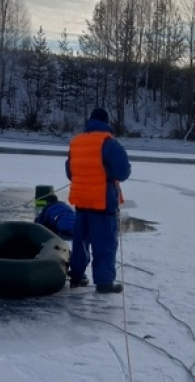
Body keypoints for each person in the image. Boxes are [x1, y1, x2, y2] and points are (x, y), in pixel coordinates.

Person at [65, 108, 131, 294]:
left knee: (80, 243)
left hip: (81, 201)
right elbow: (123, 171)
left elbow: (70, 172)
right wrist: (107, 173)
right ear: (106, 123)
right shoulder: (109, 143)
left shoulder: (76, 143)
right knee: (105, 244)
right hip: (102, 202)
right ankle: (104, 283)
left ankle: (76, 278)